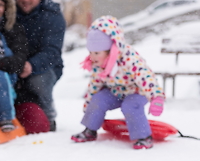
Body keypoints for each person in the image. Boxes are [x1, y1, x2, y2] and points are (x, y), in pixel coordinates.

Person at [71, 16, 165, 150]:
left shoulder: (129, 58)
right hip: (115, 92)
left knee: (131, 106)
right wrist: (89, 106)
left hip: (136, 92)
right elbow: (95, 85)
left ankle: (144, 137)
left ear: (110, 50)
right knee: (98, 99)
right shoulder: (97, 63)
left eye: (97, 52)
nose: (92, 57)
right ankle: (90, 130)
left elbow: (146, 77)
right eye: (90, 52)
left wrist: (156, 97)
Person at [15, 0, 66, 132]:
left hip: (44, 68)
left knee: (37, 81)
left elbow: (52, 51)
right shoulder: (6, 10)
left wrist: (32, 65)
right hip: (13, 66)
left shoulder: (52, 15)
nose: (26, 1)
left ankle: (48, 114)